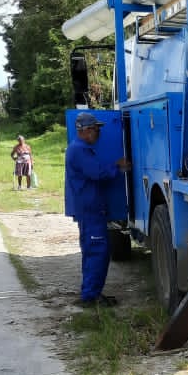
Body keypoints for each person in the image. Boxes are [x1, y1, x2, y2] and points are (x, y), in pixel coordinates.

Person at [64, 113, 131, 307]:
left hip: (91, 208)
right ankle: (90, 297)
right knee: (97, 252)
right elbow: (97, 173)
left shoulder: (81, 149)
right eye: (96, 129)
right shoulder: (79, 150)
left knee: (94, 252)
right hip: (90, 209)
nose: (99, 132)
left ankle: (91, 293)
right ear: (85, 130)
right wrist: (117, 166)